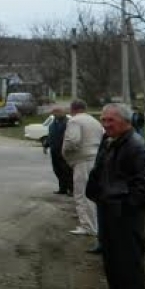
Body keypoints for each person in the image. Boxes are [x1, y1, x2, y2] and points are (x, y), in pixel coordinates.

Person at [87, 103, 145, 289]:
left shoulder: (138, 148)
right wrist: (97, 194)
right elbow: (102, 173)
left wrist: (126, 208)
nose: (105, 124)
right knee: (113, 266)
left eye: (111, 120)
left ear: (126, 122)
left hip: (125, 218)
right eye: (104, 120)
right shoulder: (111, 143)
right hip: (110, 213)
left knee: (129, 267)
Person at [62, 99, 104, 237]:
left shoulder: (75, 121)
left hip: (82, 160)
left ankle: (87, 227)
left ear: (73, 109)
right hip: (95, 159)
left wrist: (66, 153)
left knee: (81, 194)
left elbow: (72, 140)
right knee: (92, 193)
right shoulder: (95, 121)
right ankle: (94, 225)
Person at [46, 108, 73, 195]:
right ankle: (62, 188)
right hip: (54, 150)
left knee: (66, 170)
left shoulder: (68, 122)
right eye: (54, 113)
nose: (55, 114)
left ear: (63, 112)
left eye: (57, 112)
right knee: (57, 170)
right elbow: (50, 135)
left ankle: (71, 189)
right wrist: (46, 145)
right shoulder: (53, 123)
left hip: (63, 151)